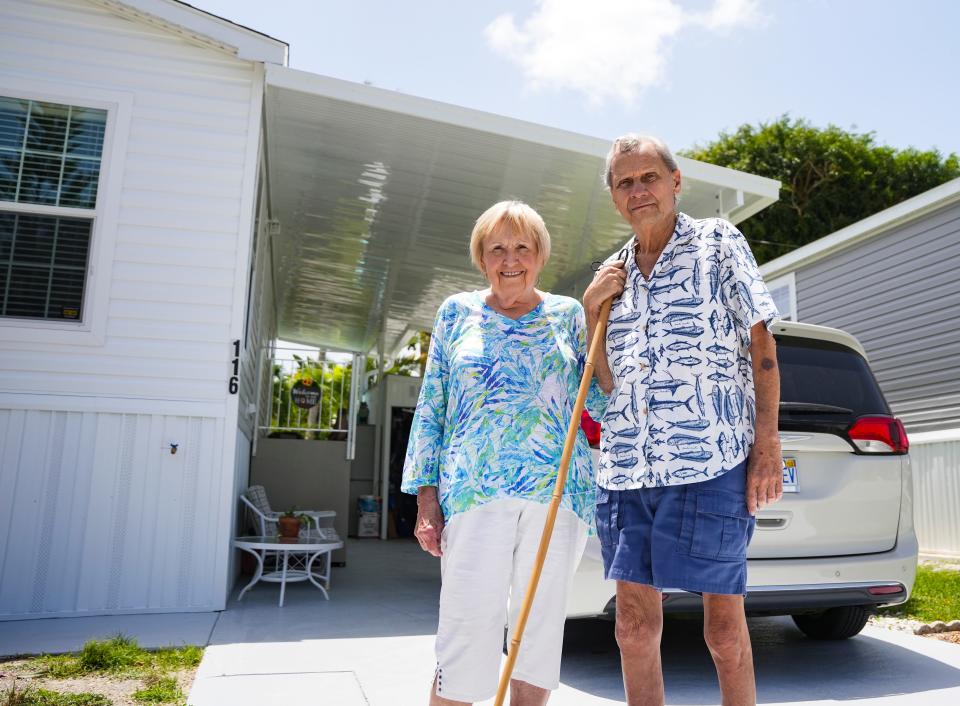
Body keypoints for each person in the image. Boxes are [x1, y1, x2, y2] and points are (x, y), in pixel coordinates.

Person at [583, 135, 783, 706]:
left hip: (710, 461)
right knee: (632, 629)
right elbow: (602, 382)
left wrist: (766, 444)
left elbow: (761, 343)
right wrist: (591, 307)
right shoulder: (611, 272)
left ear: (675, 182)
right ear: (615, 198)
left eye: (649, 177)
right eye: (625, 182)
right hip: (627, 470)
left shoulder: (718, 241)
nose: (638, 190)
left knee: (723, 633)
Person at [402, 200, 607, 706]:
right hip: (473, 494)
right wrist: (427, 502)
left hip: (556, 497)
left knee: (536, 641)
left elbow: (599, 401)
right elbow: (432, 408)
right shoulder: (456, 313)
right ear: (481, 257)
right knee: (464, 635)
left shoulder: (567, 316)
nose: (510, 258)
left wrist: (596, 316)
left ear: (540, 255)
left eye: (522, 247)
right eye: (497, 248)